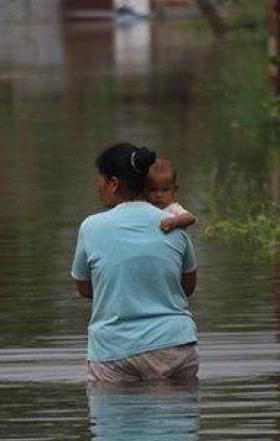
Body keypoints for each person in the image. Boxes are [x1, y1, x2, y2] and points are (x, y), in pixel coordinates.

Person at [71, 143, 199, 384]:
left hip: (114, 351)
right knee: (175, 420)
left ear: (113, 183)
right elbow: (188, 287)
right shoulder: (176, 223)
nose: (98, 186)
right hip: (176, 345)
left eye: (100, 180)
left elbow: (84, 288)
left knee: (115, 420)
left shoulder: (91, 227)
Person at [146, 157, 197, 233]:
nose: (159, 195)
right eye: (153, 190)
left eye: (165, 190)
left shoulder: (173, 209)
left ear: (174, 190)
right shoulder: (146, 207)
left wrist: (174, 222)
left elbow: (191, 218)